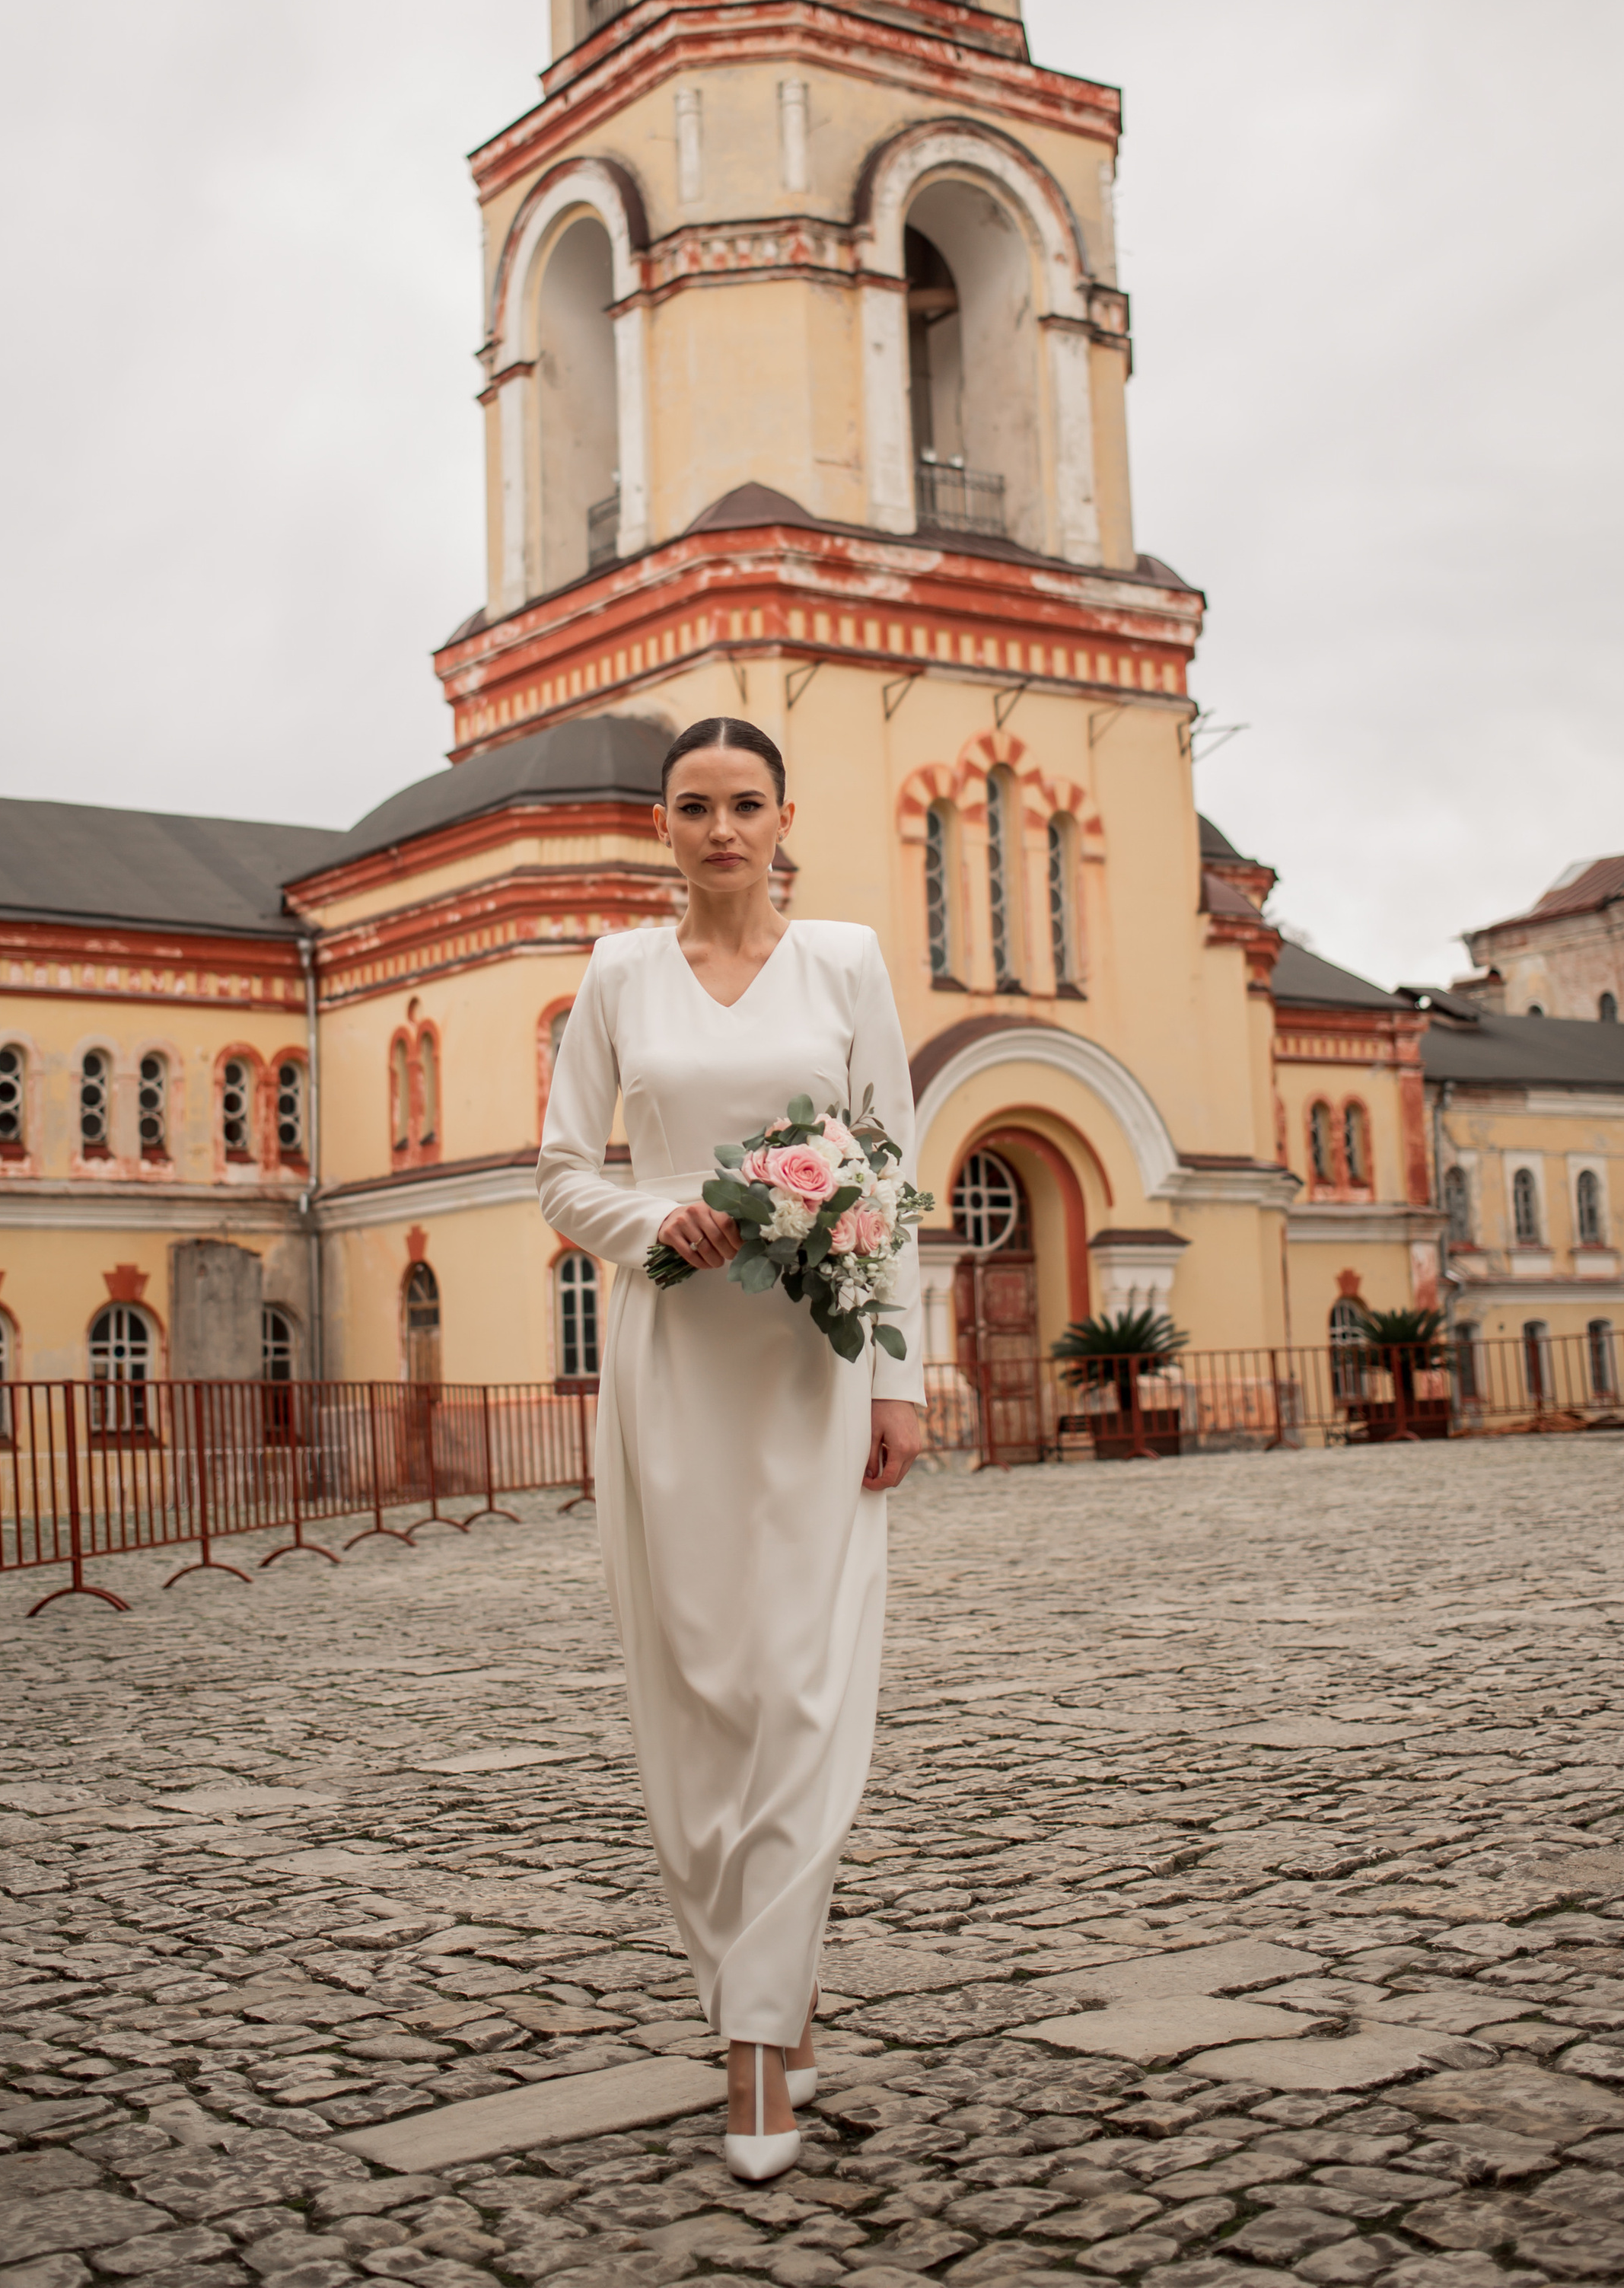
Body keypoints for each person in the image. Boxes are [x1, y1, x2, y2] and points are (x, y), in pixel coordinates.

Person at [537, 715, 927, 2181]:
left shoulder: (846, 964)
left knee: (804, 1685)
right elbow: (565, 1171)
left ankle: (757, 2046)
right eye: (693, 807)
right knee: (703, 1690)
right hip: (676, 1362)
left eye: (744, 805)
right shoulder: (616, 975)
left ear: (780, 817)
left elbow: (892, 1171)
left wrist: (902, 1376)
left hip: (814, 1371)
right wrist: (657, 1224)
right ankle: (759, 1974)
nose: (721, 830)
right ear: (662, 826)